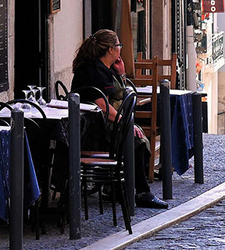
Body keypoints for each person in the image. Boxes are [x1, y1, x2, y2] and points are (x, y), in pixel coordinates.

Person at [69, 29, 166, 209]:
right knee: (136, 141)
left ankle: (119, 187)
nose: (121, 48)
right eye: (119, 45)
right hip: (93, 128)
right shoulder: (93, 71)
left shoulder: (106, 69)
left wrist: (121, 74)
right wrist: (125, 123)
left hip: (103, 121)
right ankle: (140, 191)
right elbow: (103, 106)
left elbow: (120, 94)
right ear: (111, 49)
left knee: (138, 137)